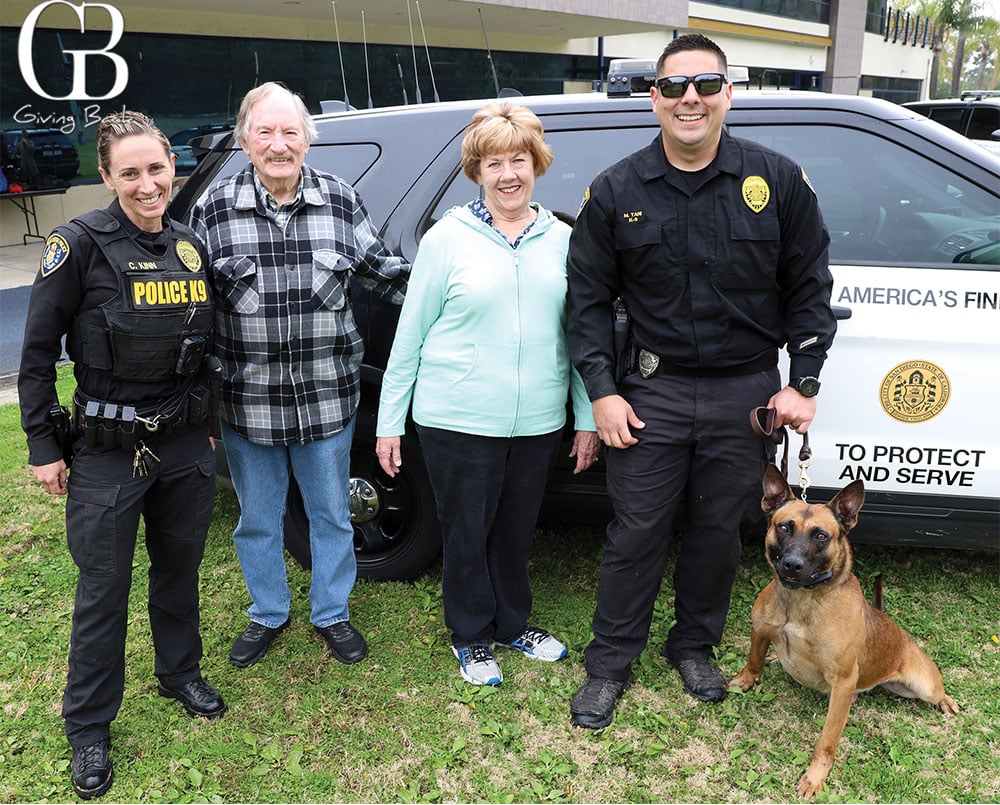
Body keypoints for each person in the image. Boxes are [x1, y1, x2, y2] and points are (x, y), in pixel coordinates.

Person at [566, 33, 836, 728]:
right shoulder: (617, 189)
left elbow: (809, 284)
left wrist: (802, 379)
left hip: (744, 393)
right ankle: (609, 664)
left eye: (707, 85)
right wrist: (602, 389)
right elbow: (588, 299)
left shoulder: (775, 180)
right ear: (654, 98)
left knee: (719, 530)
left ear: (728, 95)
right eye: (677, 86)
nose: (692, 98)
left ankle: (693, 645)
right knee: (636, 532)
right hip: (649, 391)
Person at [18, 110, 226, 800]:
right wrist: (43, 447)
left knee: (179, 570)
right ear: (106, 176)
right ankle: (88, 727)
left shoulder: (190, 247)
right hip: (107, 452)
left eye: (156, 169)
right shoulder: (76, 245)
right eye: (130, 172)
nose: (146, 185)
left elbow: (204, 350)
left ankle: (179, 673)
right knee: (103, 591)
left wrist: (209, 426)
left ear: (174, 170)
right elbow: (38, 353)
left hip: (184, 446)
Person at [375, 102, 600, 686]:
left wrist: (583, 417)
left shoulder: (561, 239)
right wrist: (389, 422)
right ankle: (472, 635)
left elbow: (575, 333)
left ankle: (512, 622)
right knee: (467, 531)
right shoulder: (448, 238)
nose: (508, 175)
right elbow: (411, 335)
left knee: (516, 527)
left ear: (537, 164)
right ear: (476, 171)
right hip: (457, 418)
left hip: (537, 422)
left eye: (518, 161)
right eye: (494, 163)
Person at [189, 82, 409, 669]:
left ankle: (331, 612)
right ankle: (268, 613)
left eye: (291, 132)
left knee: (331, 514)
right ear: (244, 141)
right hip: (247, 403)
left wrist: (458, 289)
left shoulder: (340, 199)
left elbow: (384, 273)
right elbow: (195, 311)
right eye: (265, 132)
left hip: (326, 399)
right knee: (258, 521)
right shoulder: (212, 210)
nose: (279, 144)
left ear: (309, 140)